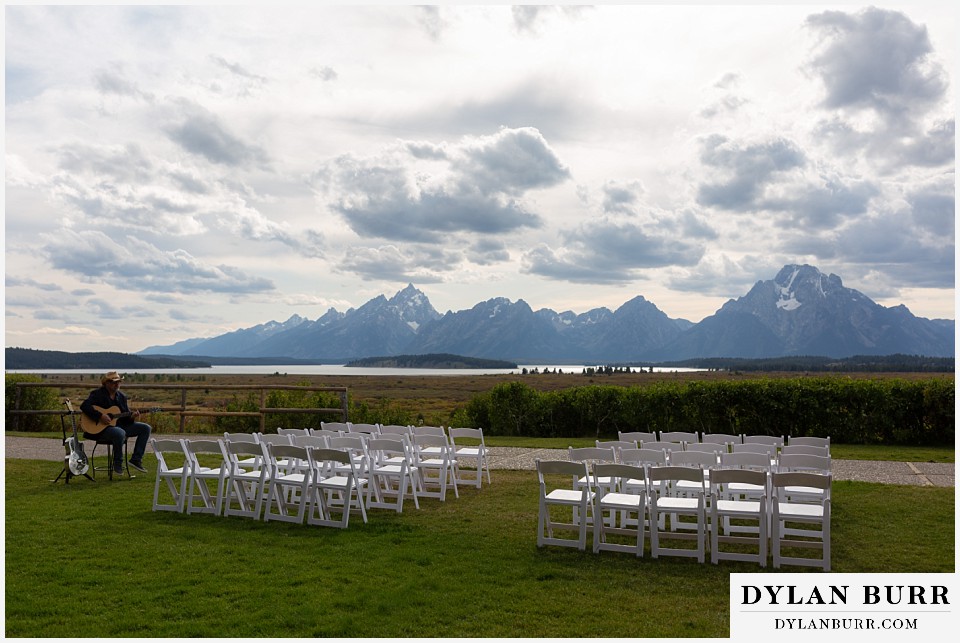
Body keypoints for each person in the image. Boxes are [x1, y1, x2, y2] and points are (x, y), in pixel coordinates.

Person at [80, 371, 151, 475]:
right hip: (101, 430)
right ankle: (117, 463)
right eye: (114, 382)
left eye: (119, 382)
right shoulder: (97, 394)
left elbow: (125, 419)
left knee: (146, 428)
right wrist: (100, 416)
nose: (117, 384)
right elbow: (84, 406)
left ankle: (136, 460)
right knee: (120, 433)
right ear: (107, 383)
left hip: (119, 426)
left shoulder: (121, 397)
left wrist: (131, 417)